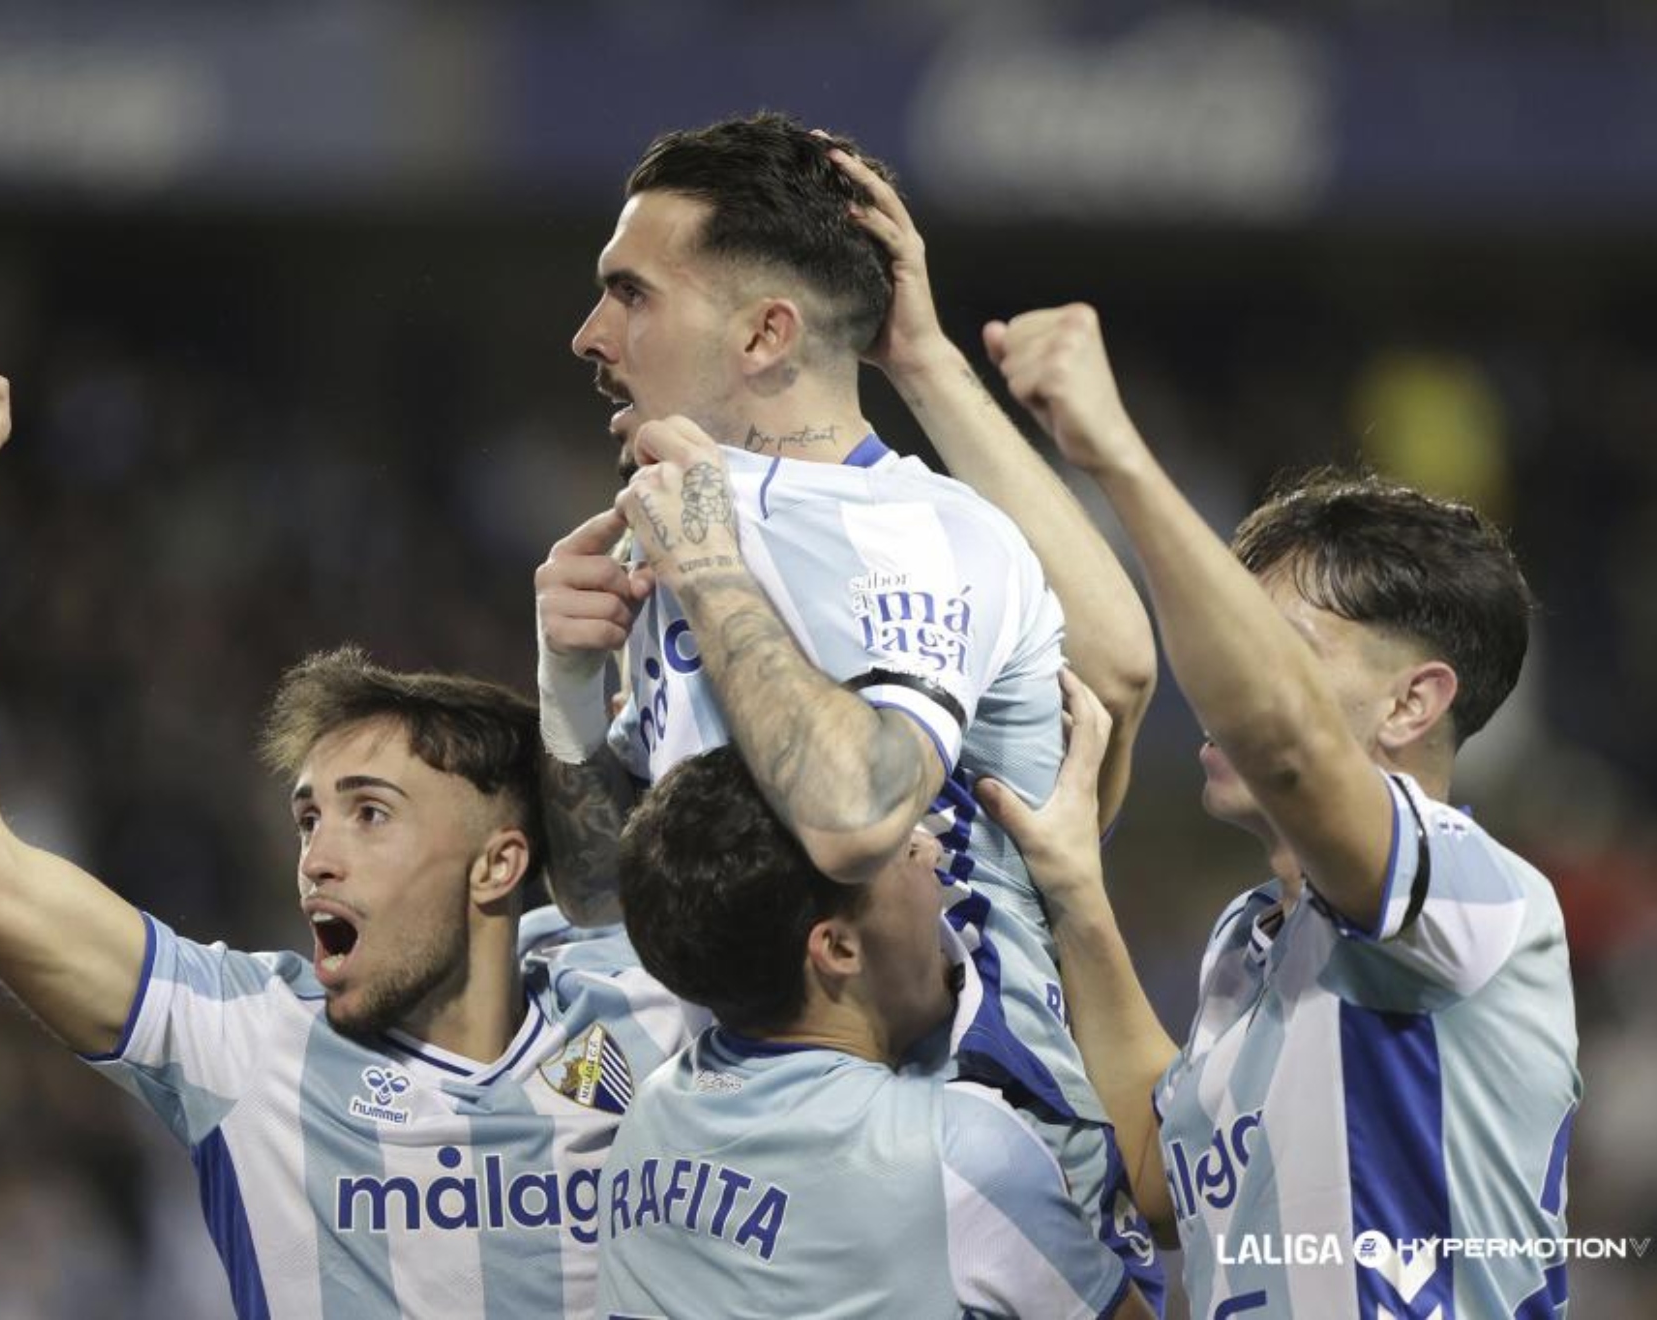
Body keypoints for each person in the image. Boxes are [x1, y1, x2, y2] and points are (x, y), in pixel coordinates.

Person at [0, 355, 699, 1319]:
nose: (318, 856)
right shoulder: (251, 1044)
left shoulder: (645, 1008)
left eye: (371, 812)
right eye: (310, 816)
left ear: (501, 863)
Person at [532, 112, 1163, 1302]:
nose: (590, 336)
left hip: (954, 1167)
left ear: (768, 331)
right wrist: (569, 687)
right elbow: (611, 894)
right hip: (746, 1156)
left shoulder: (886, 532)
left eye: (631, 295)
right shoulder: (690, 522)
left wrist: (715, 567)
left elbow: (858, 813)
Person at [976, 309, 1582, 1317]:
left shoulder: (1475, 892)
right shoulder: (1247, 942)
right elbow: (1156, 1173)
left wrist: (1118, 458)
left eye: (1278, 645)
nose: (1219, 683)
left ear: (1412, 703)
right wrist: (1076, 887)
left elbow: (1289, 745)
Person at [597, 742, 1155, 1320]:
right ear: (838, 947)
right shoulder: (960, 1153)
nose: (930, 851)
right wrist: (1079, 890)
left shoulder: (645, 1120)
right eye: (898, 849)